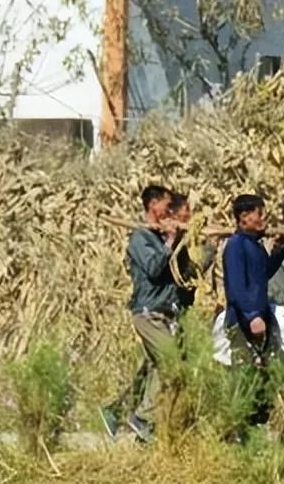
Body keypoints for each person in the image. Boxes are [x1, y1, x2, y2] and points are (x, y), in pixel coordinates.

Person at [101, 184, 182, 443]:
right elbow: (154, 267)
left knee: (152, 369)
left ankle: (114, 412)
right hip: (148, 313)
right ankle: (143, 418)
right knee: (171, 363)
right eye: (166, 206)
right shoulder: (141, 238)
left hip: (165, 312)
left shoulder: (159, 237)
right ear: (153, 205)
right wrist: (169, 241)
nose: (169, 211)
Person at [222, 193, 284, 421]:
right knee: (244, 374)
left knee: (262, 373)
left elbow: (263, 275)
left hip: (259, 317)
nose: (263, 218)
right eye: (259, 214)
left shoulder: (254, 245)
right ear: (243, 217)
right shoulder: (236, 246)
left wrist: (279, 249)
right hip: (242, 320)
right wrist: (251, 317)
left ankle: (256, 423)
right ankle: (234, 426)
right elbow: (237, 288)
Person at [168, 191, 215, 311]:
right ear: (174, 213)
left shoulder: (188, 238)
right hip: (172, 297)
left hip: (186, 297)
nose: (190, 214)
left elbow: (196, 267)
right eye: (186, 209)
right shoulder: (167, 238)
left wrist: (211, 247)